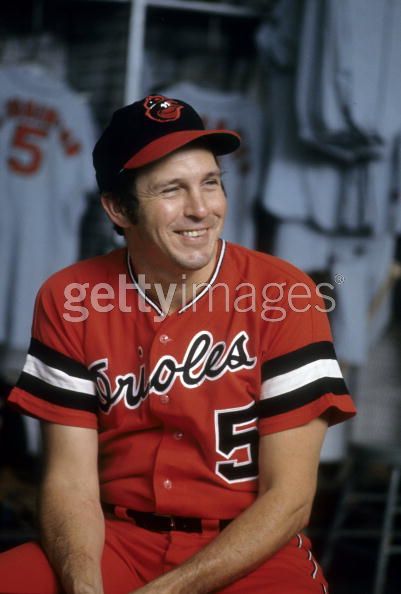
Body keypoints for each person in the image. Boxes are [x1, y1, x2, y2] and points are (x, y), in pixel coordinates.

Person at [0, 95, 356, 594]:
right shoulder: (69, 297)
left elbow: (290, 498)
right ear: (118, 208)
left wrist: (168, 591)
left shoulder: (286, 295)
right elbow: (69, 482)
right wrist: (84, 584)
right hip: (114, 541)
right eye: (172, 189)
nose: (201, 209)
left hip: (251, 550)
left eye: (210, 182)